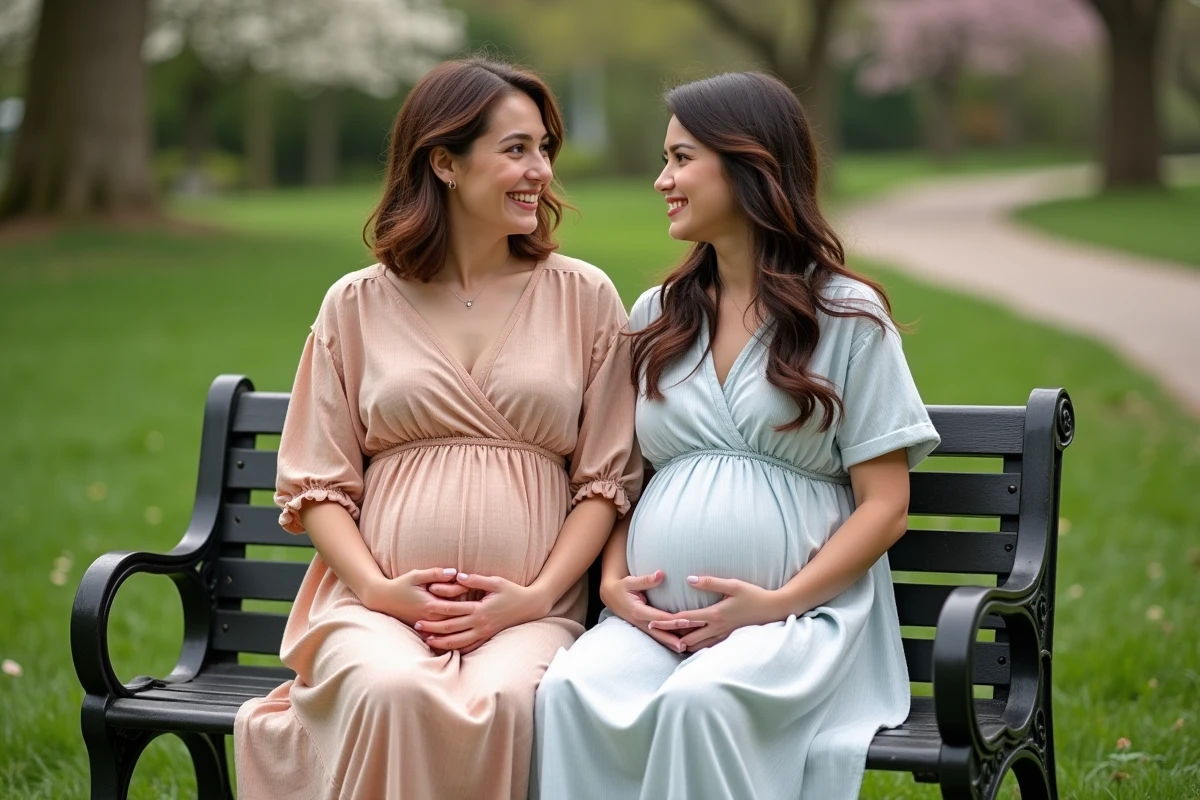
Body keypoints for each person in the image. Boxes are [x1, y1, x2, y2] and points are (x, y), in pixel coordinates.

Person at [234, 57, 641, 800]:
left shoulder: (585, 296)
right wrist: (381, 589)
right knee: (390, 691)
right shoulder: (355, 303)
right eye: (516, 149)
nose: (542, 171)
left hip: (529, 611)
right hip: (370, 607)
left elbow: (606, 481)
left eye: (545, 148)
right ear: (445, 162)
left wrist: (536, 596)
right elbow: (317, 482)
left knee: (511, 702)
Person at [533, 71, 941, 800]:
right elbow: (629, 478)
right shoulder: (660, 312)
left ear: (751, 163)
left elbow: (886, 506)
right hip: (654, 625)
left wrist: (773, 604)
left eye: (682, 158)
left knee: (701, 704)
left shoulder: (847, 318)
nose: (663, 180)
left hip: (800, 621)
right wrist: (612, 583)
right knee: (568, 692)